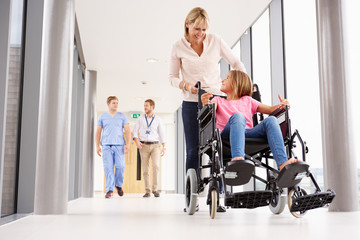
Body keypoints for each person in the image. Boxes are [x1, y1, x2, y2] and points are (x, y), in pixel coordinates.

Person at [169, 7, 246, 212]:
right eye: (197, 28)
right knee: (193, 150)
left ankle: (217, 197)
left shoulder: (216, 41)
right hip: (191, 102)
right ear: (187, 23)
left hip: (214, 101)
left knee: (215, 147)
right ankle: (191, 197)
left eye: (203, 29)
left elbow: (235, 62)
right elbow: (172, 78)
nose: (200, 34)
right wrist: (186, 85)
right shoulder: (178, 47)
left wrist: (245, 81)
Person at [201, 70, 301, 170]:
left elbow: (271, 110)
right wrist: (206, 104)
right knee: (238, 117)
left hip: (247, 134)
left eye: (227, 78)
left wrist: (283, 105)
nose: (223, 80)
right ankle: (237, 158)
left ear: (237, 82)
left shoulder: (248, 101)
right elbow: (211, 108)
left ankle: (283, 163)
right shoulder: (218, 100)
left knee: (271, 120)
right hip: (226, 136)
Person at [96, 96, 131, 198]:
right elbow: (98, 132)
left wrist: (128, 144)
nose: (116, 105)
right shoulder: (102, 117)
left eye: (117, 103)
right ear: (108, 104)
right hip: (106, 146)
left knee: (120, 166)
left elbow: (128, 131)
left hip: (119, 146)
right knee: (108, 168)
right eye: (113, 103)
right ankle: (110, 190)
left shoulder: (122, 116)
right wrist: (97, 146)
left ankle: (118, 185)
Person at [133, 99, 166, 198]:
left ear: (152, 107)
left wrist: (164, 147)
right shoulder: (140, 119)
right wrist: (137, 142)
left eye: (147, 106)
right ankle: (147, 191)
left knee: (156, 166)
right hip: (143, 146)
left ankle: (155, 190)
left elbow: (161, 134)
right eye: (144, 106)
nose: (145, 107)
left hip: (156, 145)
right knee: (145, 169)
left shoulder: (158, 119)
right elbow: (134, 132)